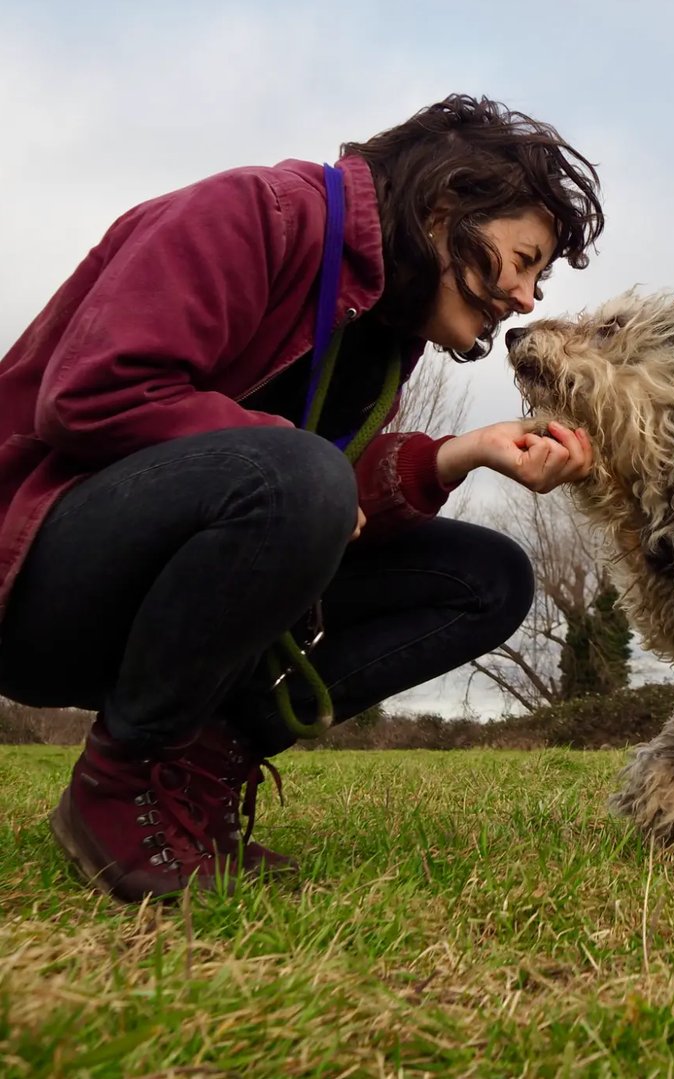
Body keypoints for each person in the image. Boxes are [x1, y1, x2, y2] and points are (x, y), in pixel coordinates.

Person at [0, 94, 604, 903]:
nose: (528, 298)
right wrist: (294, 463)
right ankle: (119, 781)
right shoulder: (255, 212)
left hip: (181, 596)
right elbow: (91, 394)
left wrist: (462, 453)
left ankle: (194, 776)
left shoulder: (388, 337)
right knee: (299, 474)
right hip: (37, 576)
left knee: (489, 578)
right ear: (446, 203)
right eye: (524, 259)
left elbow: (308, 508)